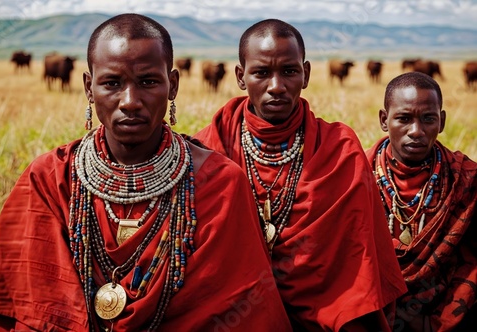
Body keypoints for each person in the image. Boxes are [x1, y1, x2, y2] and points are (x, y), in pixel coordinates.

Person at [0, 14, 292, 331]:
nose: (130, 101)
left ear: (173, 86)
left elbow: (245, 312)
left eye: (148, 82)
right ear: (89, 87)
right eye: (112, 83)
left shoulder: (221, 182)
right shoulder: (49, 179)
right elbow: (8, 305)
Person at [194, 18, 407, 331]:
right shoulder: (209, 148)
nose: (276, 86)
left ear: (305, 74)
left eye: (289, 72)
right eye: (262, 73)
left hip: (329, 316)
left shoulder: (340, 151)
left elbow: (357, 265)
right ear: (241, 77)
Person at [365, 71, 477, 331]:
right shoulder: (355, 176)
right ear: (384, 120)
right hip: (372, 314)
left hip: (447, 313)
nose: (416, 131)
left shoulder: (466, 179)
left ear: (442, 121)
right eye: (403, 119)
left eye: (428, 119)